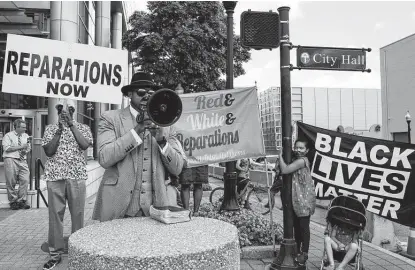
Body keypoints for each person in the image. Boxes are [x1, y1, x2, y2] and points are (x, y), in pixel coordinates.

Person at [92, 71, 186, 222]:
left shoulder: (167, 123)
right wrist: (137, 131)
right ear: (129, 94)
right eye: (141, 92)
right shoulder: (110, 118)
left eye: (151, 93)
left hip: (155, 206)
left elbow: (177, 168)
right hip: (118, 203)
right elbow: (104, 158)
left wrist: (162, 142)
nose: (146, 96)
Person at [42, 99, 93, 270]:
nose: (65, 112)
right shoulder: (50, 128)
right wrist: (59, 131)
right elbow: (49, 151)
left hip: (76, 177)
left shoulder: (84, 128)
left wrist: (71, 125)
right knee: (55, 217)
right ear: (56, 111)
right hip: (55, 177)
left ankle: (77, 252)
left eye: (69, 109)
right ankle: (55, 255)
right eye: (60, 109)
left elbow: (85, 144)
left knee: (78, 215)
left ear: (74, 110)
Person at [279, 139, 316, 266]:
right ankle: (299, 253)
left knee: (304, 228)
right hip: (297, 200)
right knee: (297, 228)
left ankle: (304, 253)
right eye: (297, 147)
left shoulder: (302, 161)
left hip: (304, 201)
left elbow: (285, 170)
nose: (298, 150)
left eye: (301, 148)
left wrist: (279, 155)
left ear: (307, 151)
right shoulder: (296, 159)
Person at [2, 119, 31, 210]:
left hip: (22, 160)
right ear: (17, 127)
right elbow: (7, 148)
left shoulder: (26, 136)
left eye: (25, 127)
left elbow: (28, 147)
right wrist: (22, 147)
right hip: (10, 159)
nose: (25, 129)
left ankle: (21, 201)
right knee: (11, 181)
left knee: (25, 180)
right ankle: (13, 201)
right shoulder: (8, 136)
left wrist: (24, 151)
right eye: (23, 127)